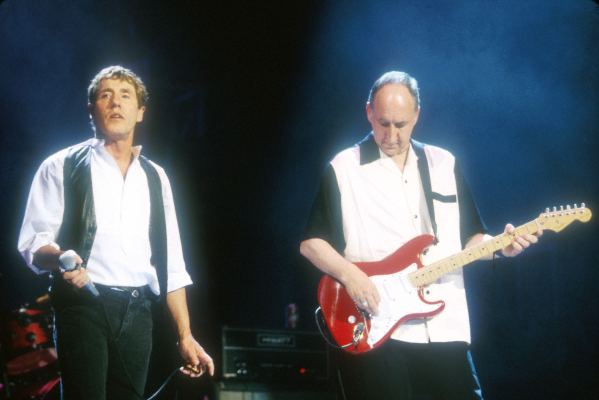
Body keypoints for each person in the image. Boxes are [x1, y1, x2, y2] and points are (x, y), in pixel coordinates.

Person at [300, 71, 541, 400]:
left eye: (401, 124)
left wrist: (502, 248)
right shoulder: (344, 167)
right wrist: (351, 276)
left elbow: (472, 239)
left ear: (417, 115)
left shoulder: (444, 163)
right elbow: (312, 244)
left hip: (446, 325)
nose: (392, 135)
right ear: (368, 112)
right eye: (383, 123)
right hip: (380, 327)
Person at [17, 65, 214, 400]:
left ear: (140, 112)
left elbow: (172, 265)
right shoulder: (61, 165)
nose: (115, 103)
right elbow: (33, 245)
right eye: (105, 95)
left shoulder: (155, 177)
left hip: (137, 311)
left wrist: (185, 335)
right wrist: (64, 259)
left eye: (125, 95)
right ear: (91, 110)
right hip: (83, 305)